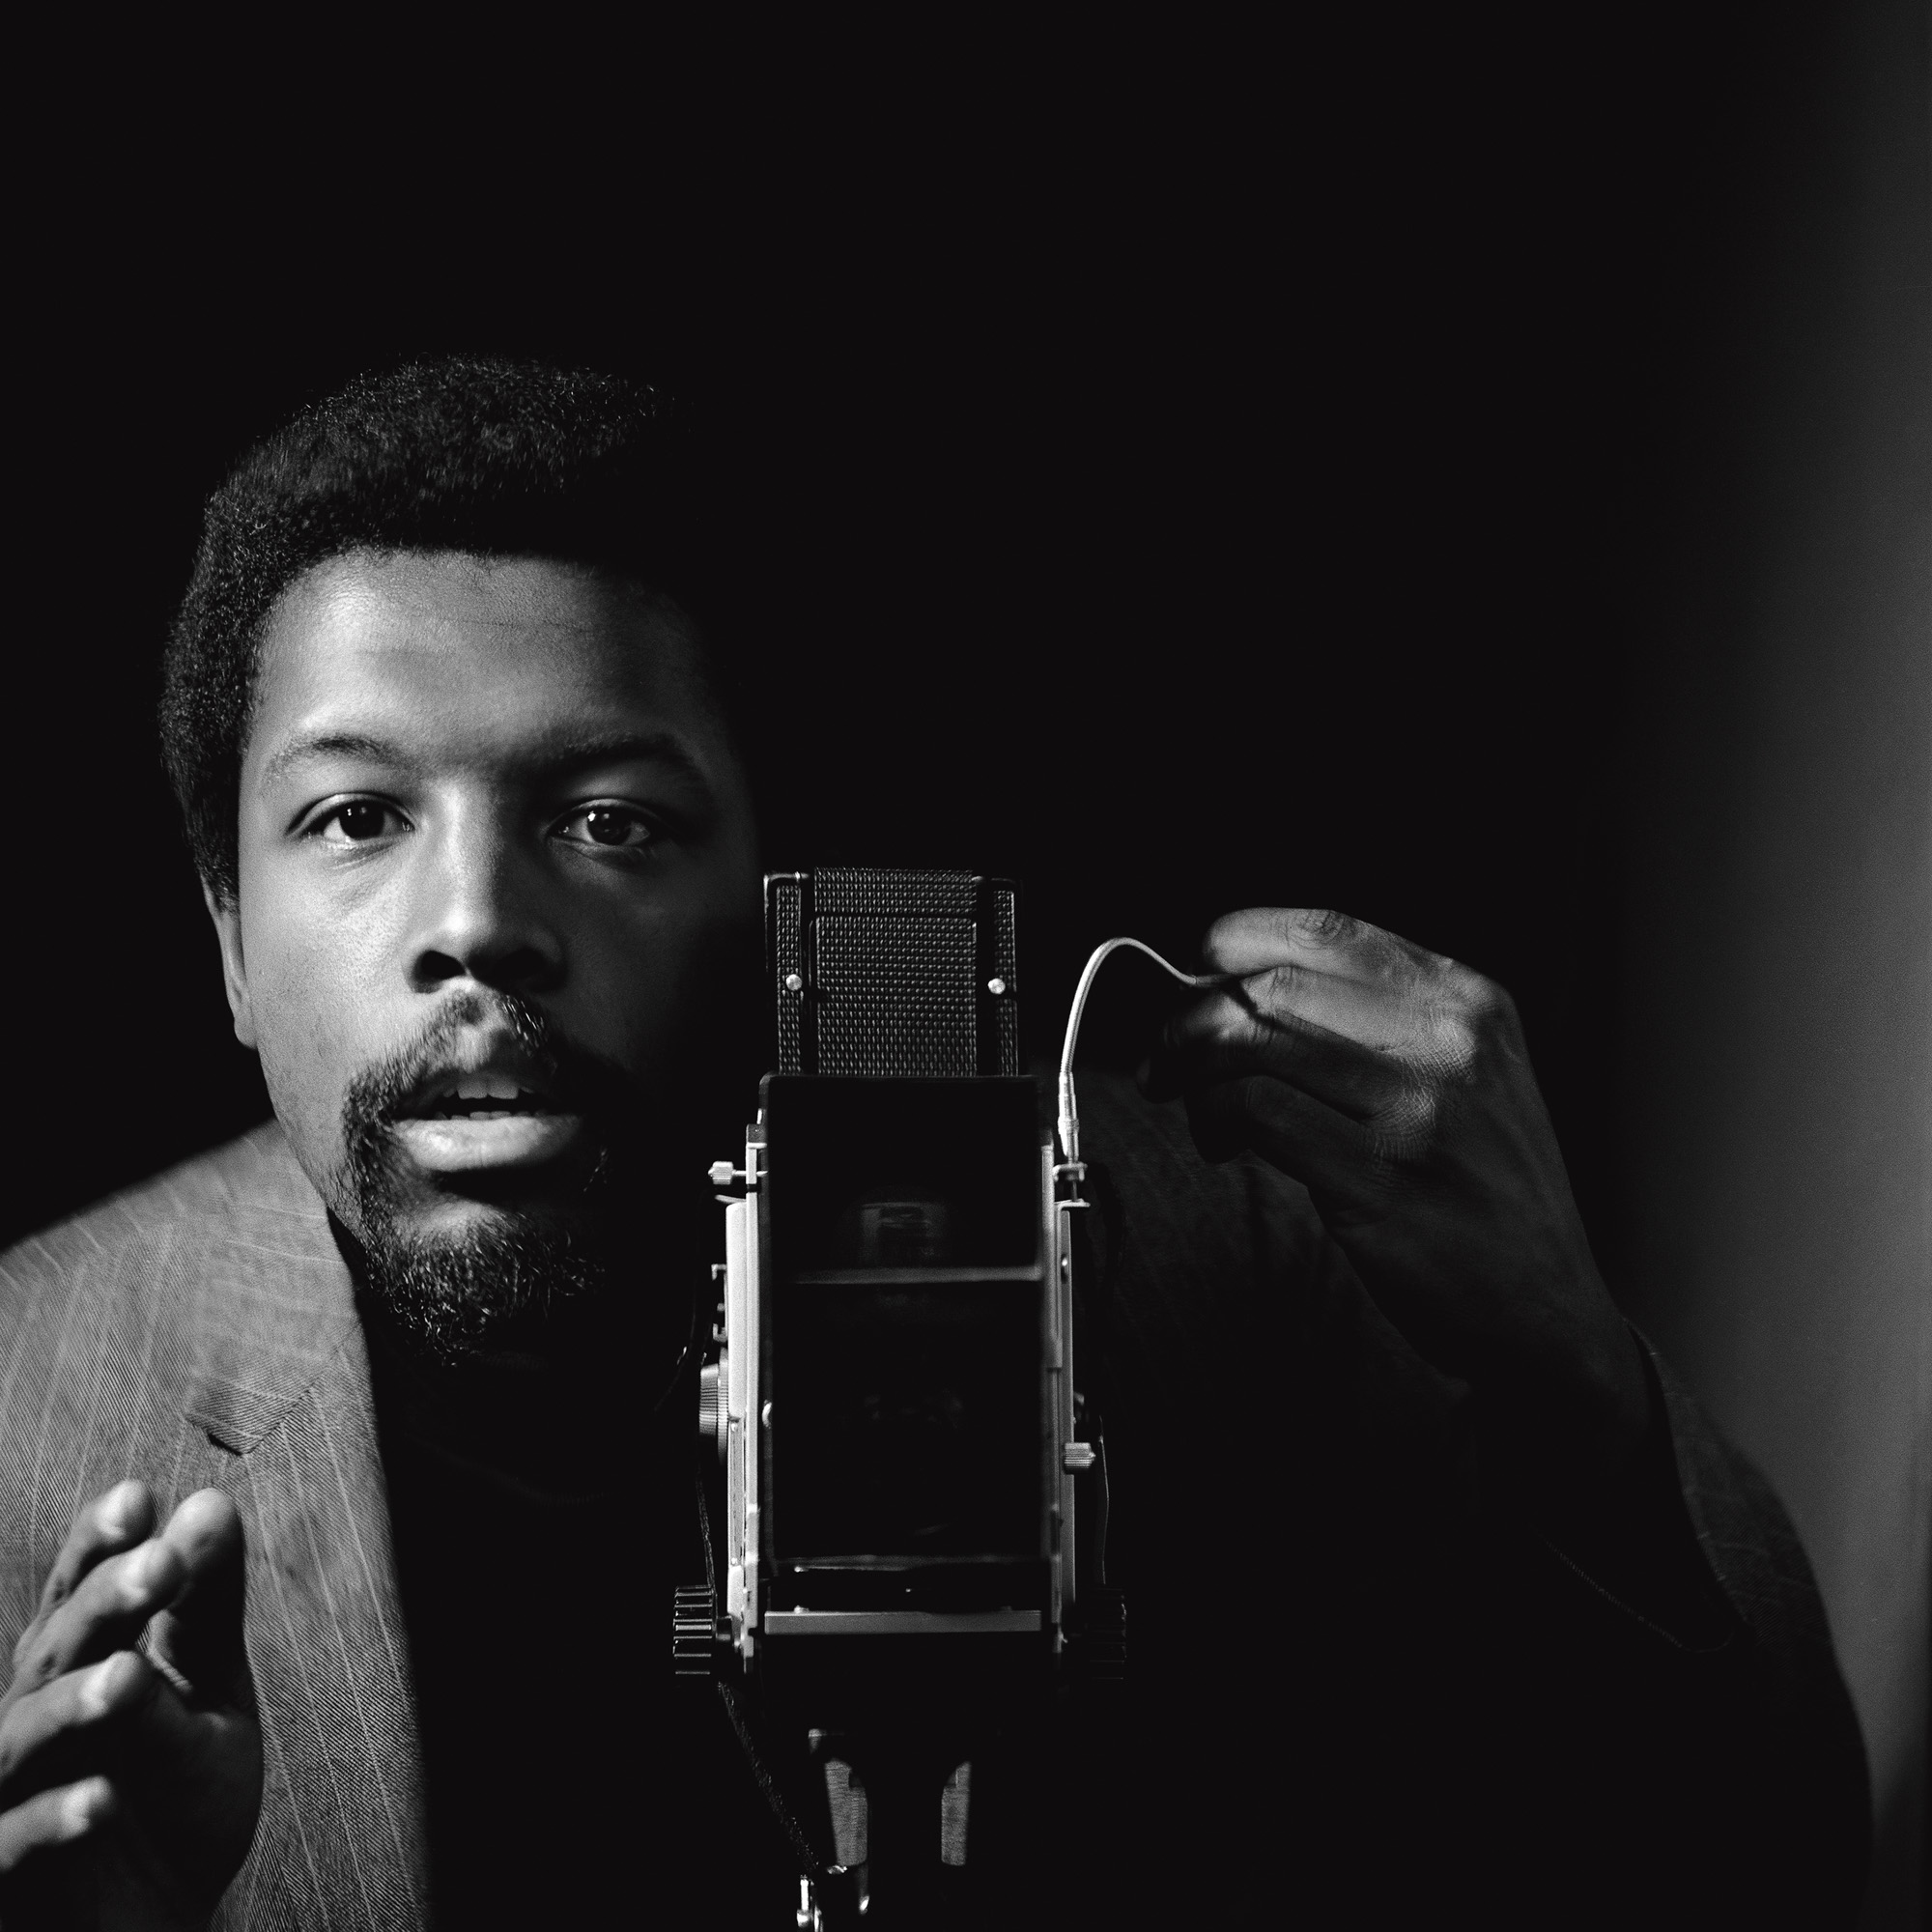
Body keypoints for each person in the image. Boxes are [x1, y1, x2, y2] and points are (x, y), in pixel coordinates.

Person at [0, 360, 1870, 1929]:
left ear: (776, 901)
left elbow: (1767, 1866)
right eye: (352, 817)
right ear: (229, 942)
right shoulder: (32, 1398)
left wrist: (1566, 1363)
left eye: (612, 819)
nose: (477, 917)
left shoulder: (1211, 1260)